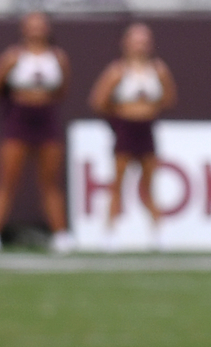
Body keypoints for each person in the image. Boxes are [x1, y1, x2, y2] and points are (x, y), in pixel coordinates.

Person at [0, 11, 73, 255]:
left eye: (40, 24)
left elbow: (62, 89)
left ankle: (61, 236)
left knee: (50, 181)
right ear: (23, 28)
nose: (36, 29)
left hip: (46, 120)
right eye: (31, 25)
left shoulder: (58, 57)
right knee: (7, 180)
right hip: (18, 120)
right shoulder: (13, 56)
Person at [88, 23, 176, 247]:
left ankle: (158, 233)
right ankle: (109, 232)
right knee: (118, 183)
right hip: (125, 129)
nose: (140, 45)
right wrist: (120, 114)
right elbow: (98, 100)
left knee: (149, 184)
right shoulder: (117, 71)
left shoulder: (158, 70)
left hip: (146, 129)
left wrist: (149, 107)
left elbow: (169, 98)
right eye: (136, 40)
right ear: (125, 43)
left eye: (144, 40)